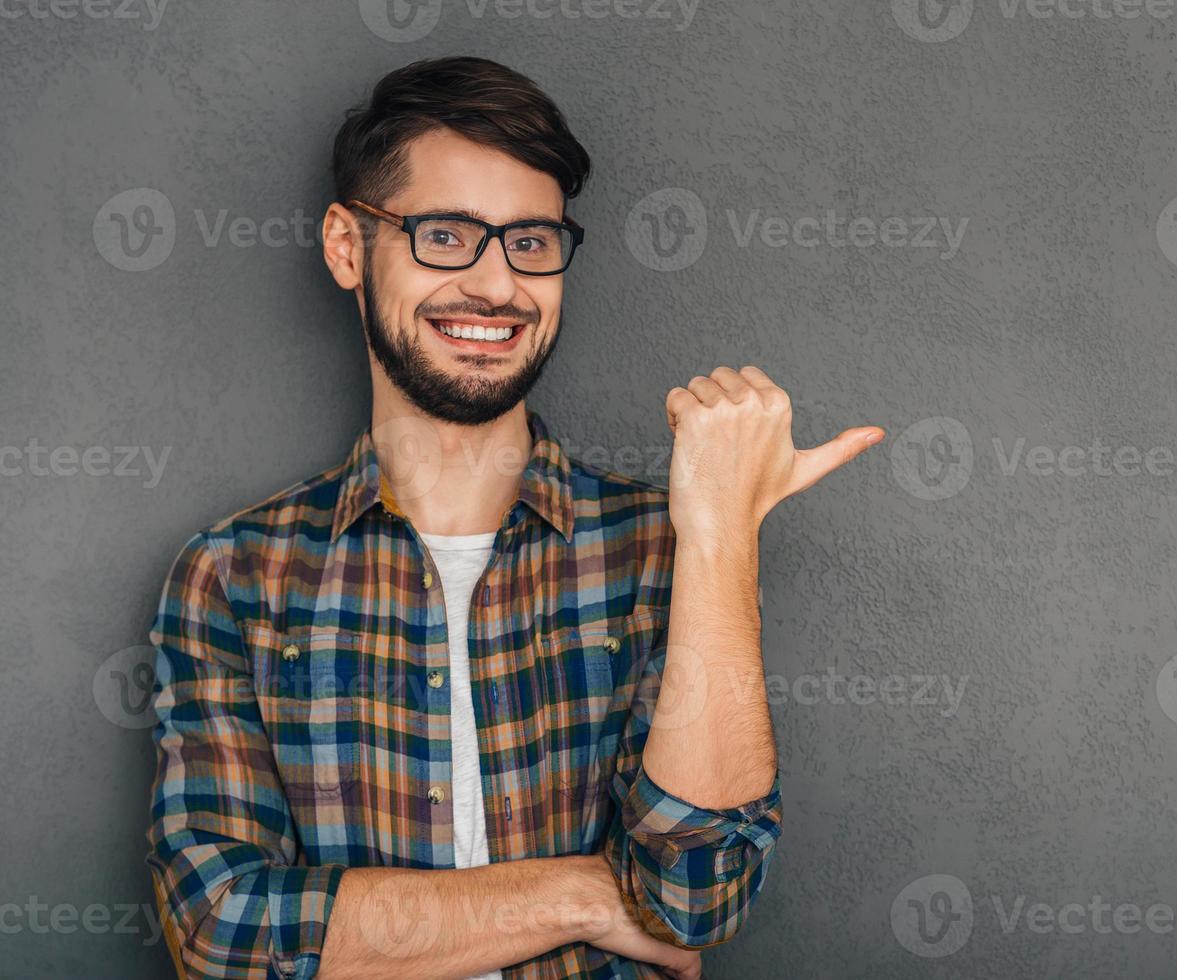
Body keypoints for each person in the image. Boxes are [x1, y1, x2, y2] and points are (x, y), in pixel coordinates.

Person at [144, 55, 884, 979]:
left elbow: (695, 897)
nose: (497, 287)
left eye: (530, 242)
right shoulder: (236, 576)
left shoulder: (660, 550)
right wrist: (583, 893)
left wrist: (723, 535)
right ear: (346, 246)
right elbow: (224, 933)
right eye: (445, 235)